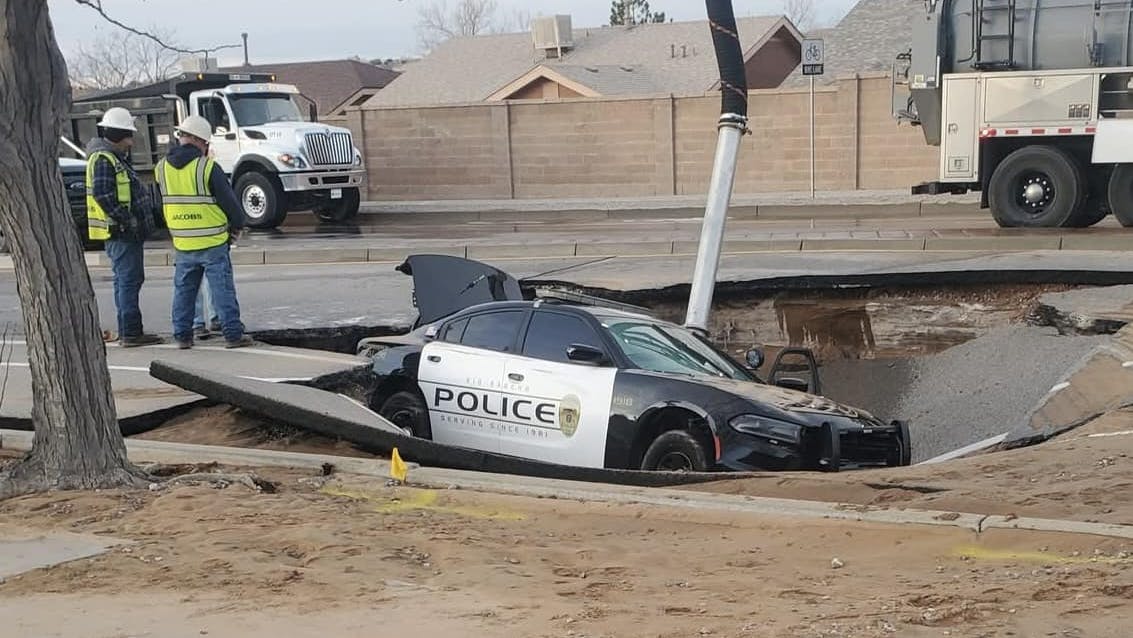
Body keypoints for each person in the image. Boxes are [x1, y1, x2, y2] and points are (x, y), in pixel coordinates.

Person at [154, 115, 254, 349]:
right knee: (222, 290)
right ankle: (232, 334)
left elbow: (159, 205)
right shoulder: (207, 167)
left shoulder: (161, 169)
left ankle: (182, 336)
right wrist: (238, 224)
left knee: (184, 292)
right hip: (213, 241)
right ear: (201, 141)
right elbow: (230, 203)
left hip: (182, 241)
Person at [85, 106, 163, 347]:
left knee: (128, 280)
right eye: (128, 135)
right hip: (121, 233)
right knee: (128, 281)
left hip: (124, 233)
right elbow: (103, 194)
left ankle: (131, 330)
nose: (131, 141)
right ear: (118, 135)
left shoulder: (112, 158)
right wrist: (128, 220)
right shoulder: (104, 159)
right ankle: (131, 332)